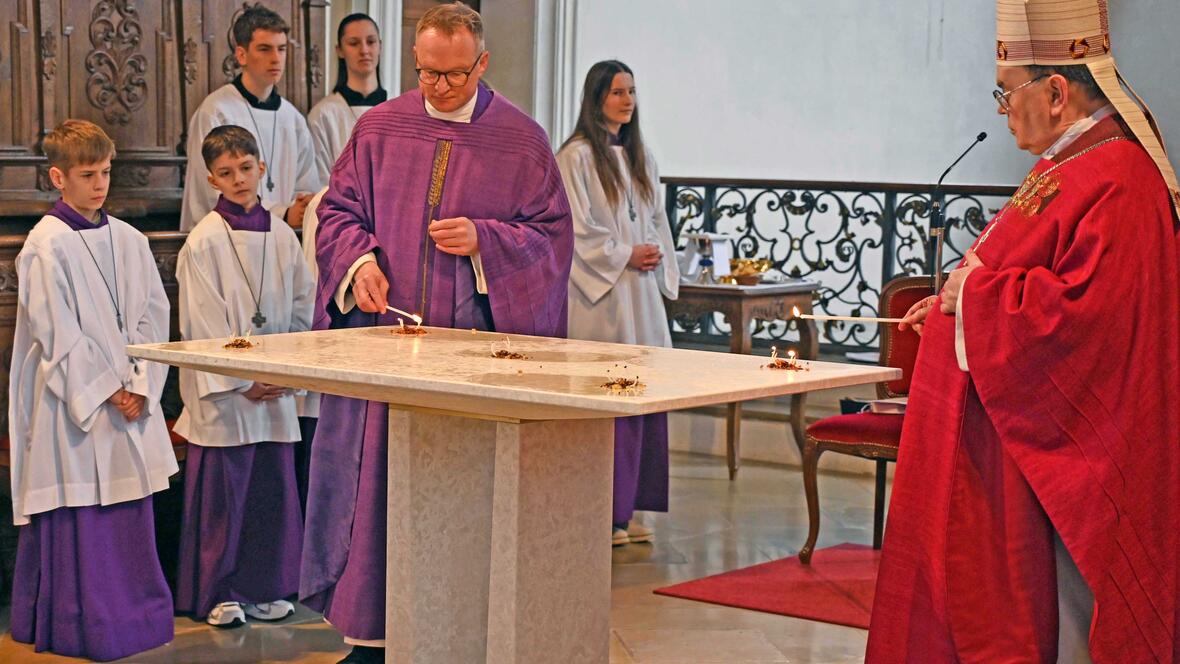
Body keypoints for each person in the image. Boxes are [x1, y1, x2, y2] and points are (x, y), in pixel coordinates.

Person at [868, 1, 1180, 661]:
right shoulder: (1065, 165)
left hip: (1061, 464)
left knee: (1056, 625)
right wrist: (953, 300)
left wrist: (974, 301)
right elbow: (1013, 270)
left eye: (1007, 92)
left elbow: (1087, 320)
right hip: (1008, 441)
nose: (1003, 109)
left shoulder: (1120, 179)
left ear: (1057, 92)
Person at [300, 3, 572, 662]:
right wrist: (360, 264)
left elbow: (551, 239)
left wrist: (486, 241)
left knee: (454, 502)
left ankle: (454, 634)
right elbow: (336, 212)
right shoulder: (380, 127)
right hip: (383, 351)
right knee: (375, 491)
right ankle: (370, 639)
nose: (439, 88)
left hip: (468, 364)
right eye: (427, 73)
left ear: (482, 63)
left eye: (454, 74)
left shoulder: (521, 142)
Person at [8, 119, 176, 660]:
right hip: (73, 404)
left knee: (129, 514)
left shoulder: (130, 239)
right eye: (87, 174)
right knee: (83, 508)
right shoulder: (45, 246)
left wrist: (141, 384)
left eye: (105, 171)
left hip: (130, 399)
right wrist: (109, 389)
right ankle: (84, 624)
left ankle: (137, 619)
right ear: (58, 177)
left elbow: (153, 316)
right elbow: (57, 333)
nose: (100, 184)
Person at [173, 125, 314, 627]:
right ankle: (219, 591)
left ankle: (264, 586)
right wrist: (242, 381)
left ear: (262, 168)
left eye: (246, 168)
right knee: (225, 502)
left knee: (270, 495)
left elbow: (302, 306)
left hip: (274, 388)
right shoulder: (204, 242)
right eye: (226, 172)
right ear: (211, 178)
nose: (239, 179)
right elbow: (201, 324)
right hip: (230, 399)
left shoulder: (282, 235)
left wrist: (287, 370)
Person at [557, 60, 679, 546]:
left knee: (644, 396)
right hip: (602, 297)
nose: (628, 100)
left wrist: (654, 253)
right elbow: (575, 229)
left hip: (639, 294)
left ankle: (629, 509)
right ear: (596, 99)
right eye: (617, 92)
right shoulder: (576, 157)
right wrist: (625, 253)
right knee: (607, 399)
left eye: (631, 91)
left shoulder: (642, 157)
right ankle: (601, 512)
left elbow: (657, 220)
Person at [179, 5, 319, 232]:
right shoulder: (215, 111)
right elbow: (211, 190)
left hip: (281, 238)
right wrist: (283, 213)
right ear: (241, 55)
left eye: (281, 49)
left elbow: (305, 183)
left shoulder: (293, 119)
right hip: (224, 238)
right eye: (265, 49)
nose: (276, 59)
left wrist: (301, 207)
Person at [307, 13, 387, 184]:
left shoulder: (401, 110)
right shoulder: (323, 115)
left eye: (371, 42)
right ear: (340, 50)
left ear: (380, 46)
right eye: (354, 43)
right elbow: (321, 183)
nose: (364, 50)